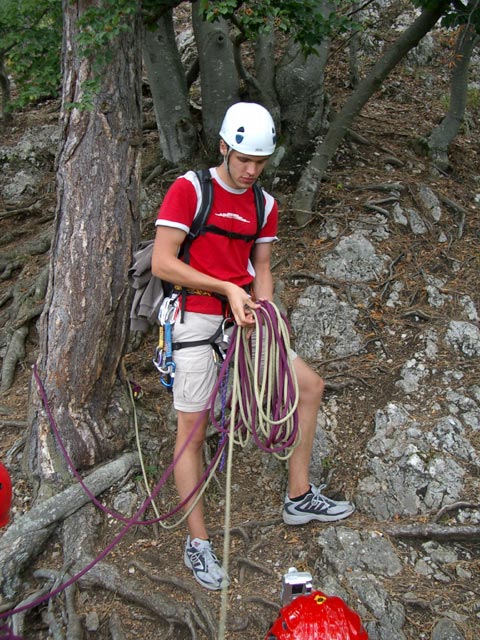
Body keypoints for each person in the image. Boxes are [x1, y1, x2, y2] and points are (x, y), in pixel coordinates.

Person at [151, 102, 354, 591]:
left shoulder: (263, 204)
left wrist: (265, 311)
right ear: (224, 146)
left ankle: (299, 495)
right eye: (243, 159)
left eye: (260, 162)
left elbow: (260, 263)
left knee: (309, 386)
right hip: (197, 317)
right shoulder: (190, 190)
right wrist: (225, 289)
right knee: (192, 432)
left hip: (244, 319)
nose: (250, 170)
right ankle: (198, 542)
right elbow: (163, 262)